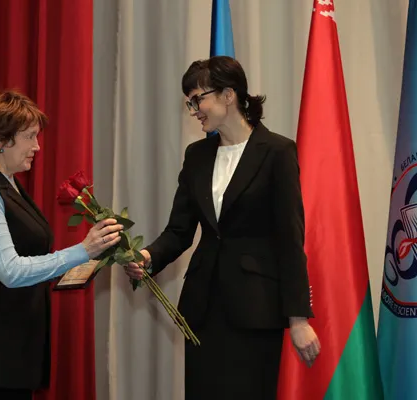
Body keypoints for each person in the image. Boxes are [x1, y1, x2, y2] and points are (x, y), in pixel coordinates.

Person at [124, 56, 320, 399]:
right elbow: (179, 231)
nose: (193, 110)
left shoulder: (277, 151)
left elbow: (290, 238)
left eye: (197, 99)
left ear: (229, 95)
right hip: (203, 310)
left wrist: (298, 318)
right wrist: (147, 257)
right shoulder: (196, 155)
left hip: (256, 310)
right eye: (189, 102)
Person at [0, 88, 122, 400]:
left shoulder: (8, 184)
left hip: (12, 339)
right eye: (29, 137)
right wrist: (82, 251)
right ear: (0, 139)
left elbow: (31, 256)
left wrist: (85, 261)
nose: (37, 146)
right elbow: (11, 271)